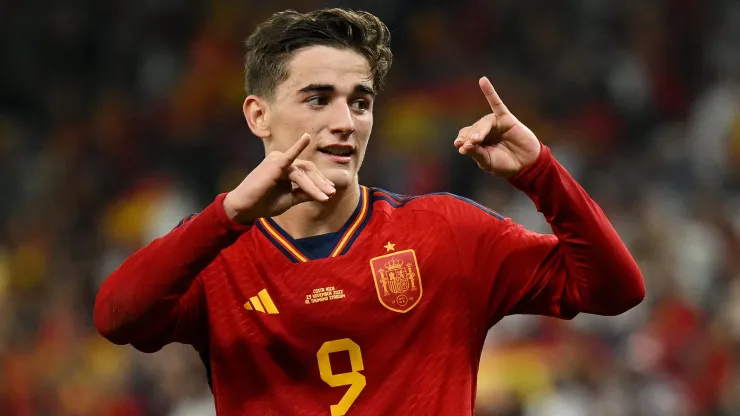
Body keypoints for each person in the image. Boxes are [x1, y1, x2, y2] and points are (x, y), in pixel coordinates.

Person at [93, 8, 645, 416]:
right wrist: (230, 213)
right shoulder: (216, 256)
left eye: (360, 101)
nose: (345, 121)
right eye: (318, 98)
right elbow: (117, 318)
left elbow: (615, 290)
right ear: (258, 116)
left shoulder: (446, 232)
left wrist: (540, 172)